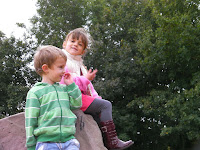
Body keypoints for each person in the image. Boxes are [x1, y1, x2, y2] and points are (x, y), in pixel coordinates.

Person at [61, 28, 134, 150]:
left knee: (98, 116)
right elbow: (66, 82)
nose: (75, 45)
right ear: (64, 44)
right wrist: (86, 79)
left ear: (83, 51)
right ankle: (113, 141)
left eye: (79, 44)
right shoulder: (62, 61)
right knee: (105, 106)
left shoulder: (81, 66)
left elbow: (90, 89)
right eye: (72, 41)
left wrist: (96, 99)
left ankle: (103, 144)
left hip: (79, 97)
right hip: (69, 96)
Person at [25, 45, 82, 150]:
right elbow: (30, 121)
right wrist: (31, 146)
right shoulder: (35, 92)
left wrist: (71, 85)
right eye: (60, 67)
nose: (64, 71)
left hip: (69, 141)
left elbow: (77, 104)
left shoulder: (64, 89)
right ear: (45, 68)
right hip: (46, 143)